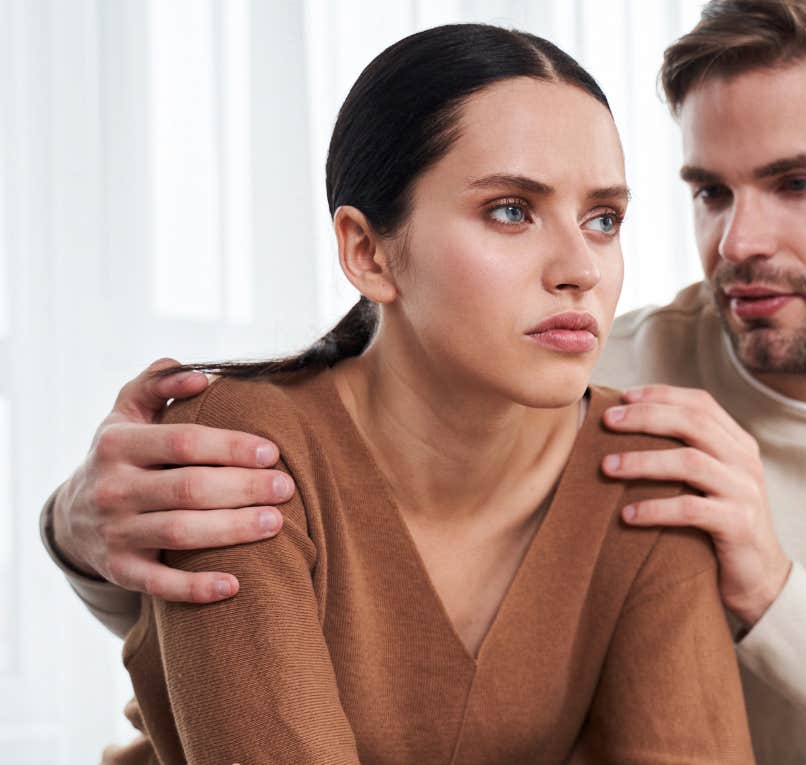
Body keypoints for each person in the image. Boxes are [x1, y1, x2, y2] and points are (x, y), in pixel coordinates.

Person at [43, 2, 806, 764]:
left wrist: (773, 593)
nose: (738, 240)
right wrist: (79, 532)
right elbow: (280, 523)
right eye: (708, 192)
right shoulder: (573, 375)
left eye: (795, 183)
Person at [87, 23, 755, 765]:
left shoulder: (647, 477)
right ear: (368, 252)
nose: (581, 268)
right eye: (511, 210)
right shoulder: (240, 446)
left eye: (603, 219)